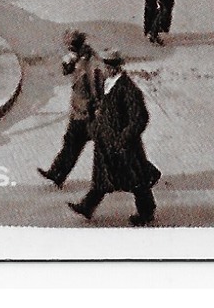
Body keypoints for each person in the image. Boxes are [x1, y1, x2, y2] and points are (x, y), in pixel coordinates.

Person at [69, 50, 160, 226]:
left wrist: (124, 138)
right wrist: (96, 128)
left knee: (137, 181)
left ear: (117, 67)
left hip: (123, 146)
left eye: (109, 66)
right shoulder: (107, 84)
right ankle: (87, 207)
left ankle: (147, 212)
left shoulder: (128, 89)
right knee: (101, 178)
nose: (105, 69)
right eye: (105, 65)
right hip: (105, 142)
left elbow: (140, 118)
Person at [38, 30, 104, 188]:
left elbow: (96, 91)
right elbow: (66, 72)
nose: (68, 51)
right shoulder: (80, 58)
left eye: (70, 48)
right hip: (78, 111)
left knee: (84, 146)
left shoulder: (91, 64)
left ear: (77, 46)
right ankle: (56, 174)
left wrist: (93, 110)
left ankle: (132, 175)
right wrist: (68, 63)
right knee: (71, 144)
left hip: (86, 114)